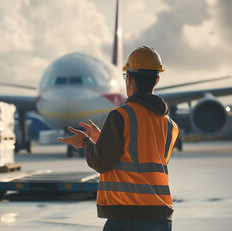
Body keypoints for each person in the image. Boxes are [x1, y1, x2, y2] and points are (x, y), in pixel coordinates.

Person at [58, 46, 180, 231]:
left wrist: (85, 142)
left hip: (127, 216)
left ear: (129, 78)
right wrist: (103, 139)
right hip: (161, 217)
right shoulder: (171, 126)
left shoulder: (121, 116)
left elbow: (101, 163)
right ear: (156, 80)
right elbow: (142, 155)